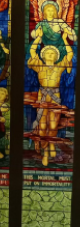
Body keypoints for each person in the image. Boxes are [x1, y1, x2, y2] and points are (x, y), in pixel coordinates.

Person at [27, 31, 74, 166]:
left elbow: (70, 54)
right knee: (42, 125)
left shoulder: (59, 67)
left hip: (55, 97)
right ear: (43, 55)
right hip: (42, 97)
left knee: (53, 124)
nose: (50, 55)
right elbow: (32, 52)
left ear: (56, 56)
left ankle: (51, 145)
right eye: (47, 53)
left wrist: (65, 40)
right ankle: (45, 151)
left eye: (53, 53)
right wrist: (39, 38)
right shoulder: (39, 66)